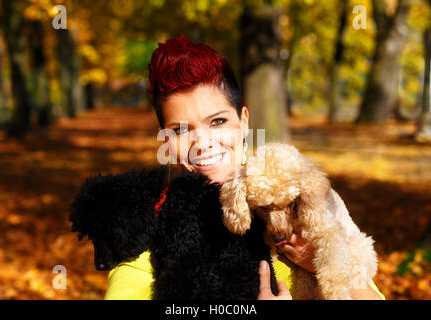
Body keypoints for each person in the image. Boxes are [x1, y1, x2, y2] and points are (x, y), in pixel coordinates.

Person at [104, 35, 385, 300]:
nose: (203, 143)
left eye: (217, 122)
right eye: (180, 130)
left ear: (244, 121)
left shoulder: (300, 199)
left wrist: (320, 264)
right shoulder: (147, 225)